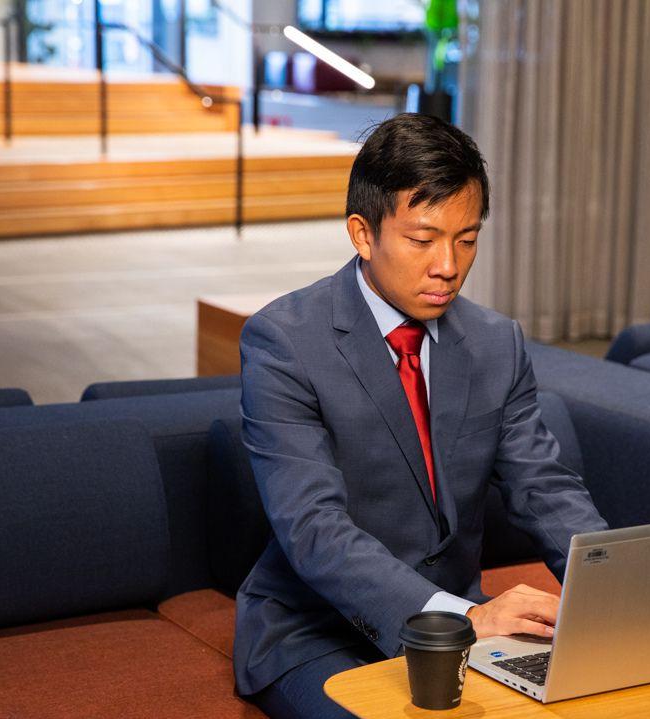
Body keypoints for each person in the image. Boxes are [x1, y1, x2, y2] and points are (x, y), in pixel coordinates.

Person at [233, 113, 607, 718]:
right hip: (316, 631)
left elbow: (545, 487)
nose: (448, 266)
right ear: (362, 233)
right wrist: (467, 617)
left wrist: (612, 587)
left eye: (467, 238)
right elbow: (313, 530)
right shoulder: (284, 342)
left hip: (460, 620)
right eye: (422, 238)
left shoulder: (495, 342)